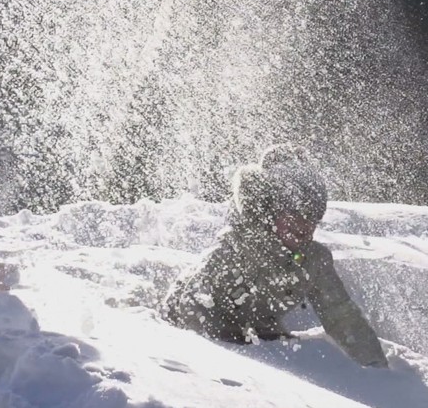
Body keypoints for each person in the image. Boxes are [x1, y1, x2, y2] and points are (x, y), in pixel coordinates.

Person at [162, 144, 388, 368]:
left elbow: (342, 316)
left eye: (314, 217)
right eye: (295, 215)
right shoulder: (234, 248)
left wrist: (377, 366)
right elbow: (193, 306)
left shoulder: (314, 260)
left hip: (255, 330)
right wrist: (240, 350)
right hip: (185, 338)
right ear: (268, 211)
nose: (305, 225)